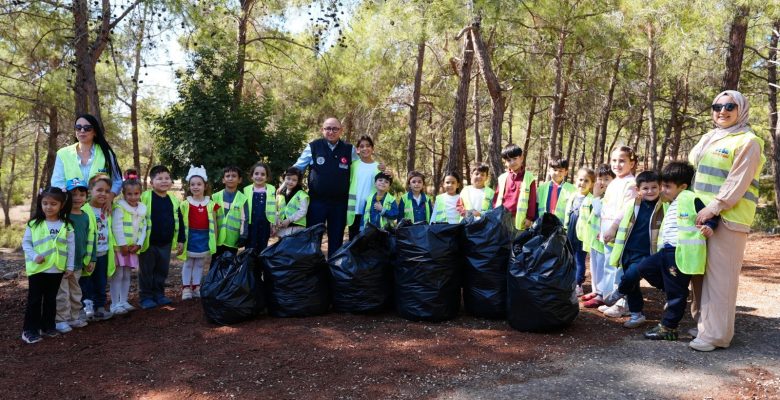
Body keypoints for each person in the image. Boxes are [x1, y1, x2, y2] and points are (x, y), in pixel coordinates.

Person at [688, 90, 766, 352]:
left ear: (741, 109)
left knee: (720, 278)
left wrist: (716, 206)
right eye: (717, 106)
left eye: (729, 106)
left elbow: (738, 181)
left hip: (728, 218)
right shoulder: (710, 137)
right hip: (700, 216)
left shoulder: (748, 141)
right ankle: (703, 324)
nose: (722, 111)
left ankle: (716, 335)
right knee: (698, 272)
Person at [634, 162, 717, 340]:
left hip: (681, 253)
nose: (663, 189)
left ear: (683, 186)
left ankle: (668, 328)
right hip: (667, 251)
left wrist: (709, 227)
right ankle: (674, 287)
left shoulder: (689, 197)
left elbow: (710, 216)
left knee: (675, 294)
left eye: (667, 186)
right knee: (643, 268)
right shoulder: (672, 202)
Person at [600, 170, 664, 323]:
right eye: (646, 188)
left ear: (660, 187)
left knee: (630, 276)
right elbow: (619, 218)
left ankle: (619, 292)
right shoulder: (633, 204)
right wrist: (611, 230)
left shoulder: (663, 206)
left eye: (654, 187)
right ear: (638, 190)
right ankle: (636, 314)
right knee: (633, 284)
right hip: (628, 250)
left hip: (648, 253)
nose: (650, 191)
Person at [293, 118, 355, 254]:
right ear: (322, 130)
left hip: (339, 204)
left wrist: (381, 170)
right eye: (328, 128)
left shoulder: (350, 149)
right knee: (313, 240)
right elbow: (297, 168)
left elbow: (361, 168)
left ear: (341, 131)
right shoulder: (313, 147)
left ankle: (333, 272)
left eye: (335, 129)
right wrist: (284, 185)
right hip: (316, 202)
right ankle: (313, 272)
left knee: (336, 240)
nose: (331, 132)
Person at [21, 187, 74, 344]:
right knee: (35, 300)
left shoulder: (67, 225)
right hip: (37, 269)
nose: (48, 207)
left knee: (51, 299)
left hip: (56, 268)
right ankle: (29, 330)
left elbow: (71, 248)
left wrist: (70, 266)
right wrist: (34, 256)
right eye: (45, 203)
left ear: (61, 205)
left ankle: (48, 326)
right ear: (40, 203)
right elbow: (26, 243)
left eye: (53, 203)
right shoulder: (34, 224)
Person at [51, 114, 122, 213]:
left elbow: (117, 180)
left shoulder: (107, 154)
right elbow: (57, 183)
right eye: (78, 127)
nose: (82, 131)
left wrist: (109, 198)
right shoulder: (63, 154)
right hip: (71, 211)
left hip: (100, 210)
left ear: (95, 132)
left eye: (87, 128)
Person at [138, 165, 185, 310]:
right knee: (147, 271)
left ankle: (159, 294)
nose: (164, 181)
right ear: (151, 182)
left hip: (166, 243)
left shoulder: (174, 200)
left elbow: (180, 220)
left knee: (161, 271)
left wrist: (181, 239)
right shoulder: (145, 197)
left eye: (167, 178)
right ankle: (146, 297)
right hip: (148, 243)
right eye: (159, 178)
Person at [598, 146, 639, 303]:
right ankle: (609, 299)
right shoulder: (614, 182)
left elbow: (626, 210)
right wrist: (602, 229)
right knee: (609, 266)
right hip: (607, 232)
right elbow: (606, 208)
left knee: (619, 267)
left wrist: (613, 228)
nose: (617, 164)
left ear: (632, 163)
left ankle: (621, 302)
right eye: (614, 160)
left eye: (622, 161)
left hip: (620, 233)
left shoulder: (631, 183)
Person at [55, 179, 92, 333]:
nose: (77, 198)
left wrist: (90, 258)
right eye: (73, 194)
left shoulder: (85, 216)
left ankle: (74, 317)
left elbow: (90, 238)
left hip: (78, 262)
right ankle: (61, 320)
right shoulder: (62, 216)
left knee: (76, 292)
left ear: (86, 197)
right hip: (63, 263)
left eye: (81, 194)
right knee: (63, 293)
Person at [179, 166, 220, 300]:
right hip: (190, 236)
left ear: (205, 186)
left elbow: (214, 222)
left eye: (199, 184)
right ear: (189, 186)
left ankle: (196, 287)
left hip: (204, 237)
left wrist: (215, 237)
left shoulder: (211, 203)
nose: (195, 187)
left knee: (200, 263)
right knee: (189, 262)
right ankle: (186, 288)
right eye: (192, 184)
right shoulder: (185, 204)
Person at [109, 170, 146, 314]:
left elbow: (144, 227)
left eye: (136, 194)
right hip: (121, 248)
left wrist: (139, 244)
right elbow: (117, 227)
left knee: (126, 275)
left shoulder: (142, 209)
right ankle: (114, 304)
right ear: (123, 194)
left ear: (140, 193)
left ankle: (124, 301)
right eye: (129, 194)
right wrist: (122, 244)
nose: (133, 197)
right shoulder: (119, 208)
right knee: (117, 275)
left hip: (133, 248)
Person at [79, 174, 115, 321]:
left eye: (107, 191)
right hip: (88, 255)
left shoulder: (108, 209)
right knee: (86, 283)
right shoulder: (84, 210)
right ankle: (86, 310)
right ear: (90, 190)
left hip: (104, 252)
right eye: (99, 190)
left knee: (101, 282)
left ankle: (100, 307)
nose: (103, 194)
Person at [581, 164, 615, 308]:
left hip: (605, 239)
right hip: (595, 239)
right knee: (594, 266)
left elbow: (599, 212)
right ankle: (596, 291)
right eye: (600, 179)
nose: (602, 182)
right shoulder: (600, 196)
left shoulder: (609, 197)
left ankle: (602, 294)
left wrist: (595, 196)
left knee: (602, 266)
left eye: (606, 179)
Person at [563, 167, 594, 297]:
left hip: (582, 235)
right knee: (568, 258)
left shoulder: (592, 199)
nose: (582, 183)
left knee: (579, 259)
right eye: (580, 179)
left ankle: (578, 284)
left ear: (592, 184)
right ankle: (568, 281)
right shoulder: (573, 196)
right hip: (570, 231)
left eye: (586, 180)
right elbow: (568, 214)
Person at [493, 144, 537, 230]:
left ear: (521, 158)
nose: (512, 162)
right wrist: (495, 214)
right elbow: (496, 198)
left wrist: (529, 217)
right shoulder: (502, 178)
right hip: (503, 218)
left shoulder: (529, 178)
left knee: (518, 241)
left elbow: (532, 200)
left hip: (521, 219)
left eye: (515, 159)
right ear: (505, 162)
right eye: (509, 160)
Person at [346, 135, 381, 239]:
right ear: (357, 150)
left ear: (372, 149)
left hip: (370, 210)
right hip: (354, 210)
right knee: (353, 242)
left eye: (368, 146)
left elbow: (384, 186)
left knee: (369, 242)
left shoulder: (379, 167)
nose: (365, 148)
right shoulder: (353, 165)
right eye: (361, 146)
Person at [212, 166, 248, 258]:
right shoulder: (215, 197)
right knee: (214, 265)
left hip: (233, 240)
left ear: (239, 180)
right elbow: (211, 219)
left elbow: (244, 219)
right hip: (216, 239)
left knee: (228, 268)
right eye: (227, 176)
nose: (230, 178)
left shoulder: (243, 199)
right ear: (223, 180)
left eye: (234, 176)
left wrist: (243, 236)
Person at [243, 162, 277, 250]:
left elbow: (273, 208)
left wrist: (273, 225)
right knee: (250, 247)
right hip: (251, 224)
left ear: (267, 177)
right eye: (256, 173)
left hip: (265, 223)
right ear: (252, 176)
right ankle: (249, 263)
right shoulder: (246, 190)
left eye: (263, 174)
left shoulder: (271, 189)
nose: (259, 176)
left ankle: (260, 263)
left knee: (262, 246)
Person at [538, 158, 576, 222]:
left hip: (562, 226)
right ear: (549, 170)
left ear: (566, 172)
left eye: (561, 171)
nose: (557, 173)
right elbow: (536, 207)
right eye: (555, 170)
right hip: (543, 224)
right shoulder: (541, 188)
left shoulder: (572, 190)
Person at [276, 167, 309, 238]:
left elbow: (303, 211)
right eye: (288, 178)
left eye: (294, 180)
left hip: (296, 229)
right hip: (282, 229)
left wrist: (289, 220)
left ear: (298, 182)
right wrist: (277, 220)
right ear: (284, 179)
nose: (290, 182)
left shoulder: (302, 194)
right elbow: (277, 210)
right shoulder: (280, 194)